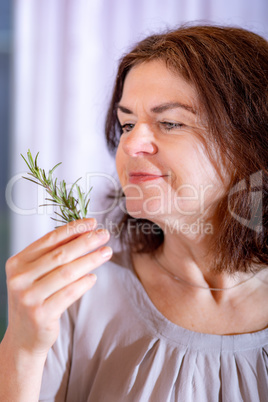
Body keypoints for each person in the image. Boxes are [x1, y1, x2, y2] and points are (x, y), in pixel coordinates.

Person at [1, 24, 268, 401]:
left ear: (250, 142)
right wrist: (23, 349)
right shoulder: (78, 294)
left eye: (170, 122)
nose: (130, 143)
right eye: (127, 124)